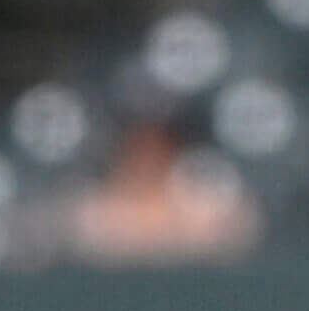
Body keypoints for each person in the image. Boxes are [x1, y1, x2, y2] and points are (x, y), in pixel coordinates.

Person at [59, 113, 263, 268]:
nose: (146, 161)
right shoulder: (94, 214)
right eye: (138, 151)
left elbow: (242, 234)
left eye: (156, 150)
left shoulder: (203, 211)